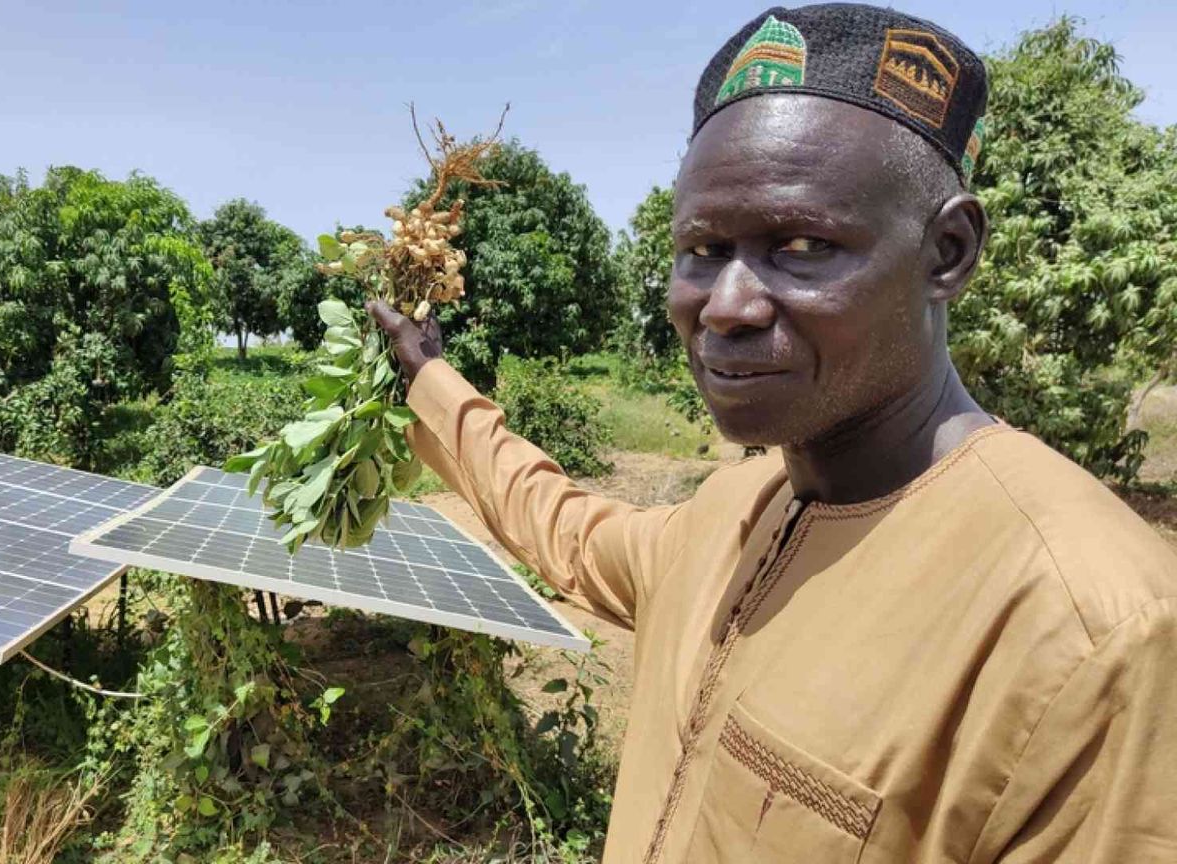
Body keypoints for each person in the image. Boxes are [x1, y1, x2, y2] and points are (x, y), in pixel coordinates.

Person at [368, 4, 1177, 862]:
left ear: (947, 252)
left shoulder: (1091, 628)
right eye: (704, 249)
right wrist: (430, 378)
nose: (727, 305)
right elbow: (561, 527)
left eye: (801, 244)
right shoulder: (731, 513)